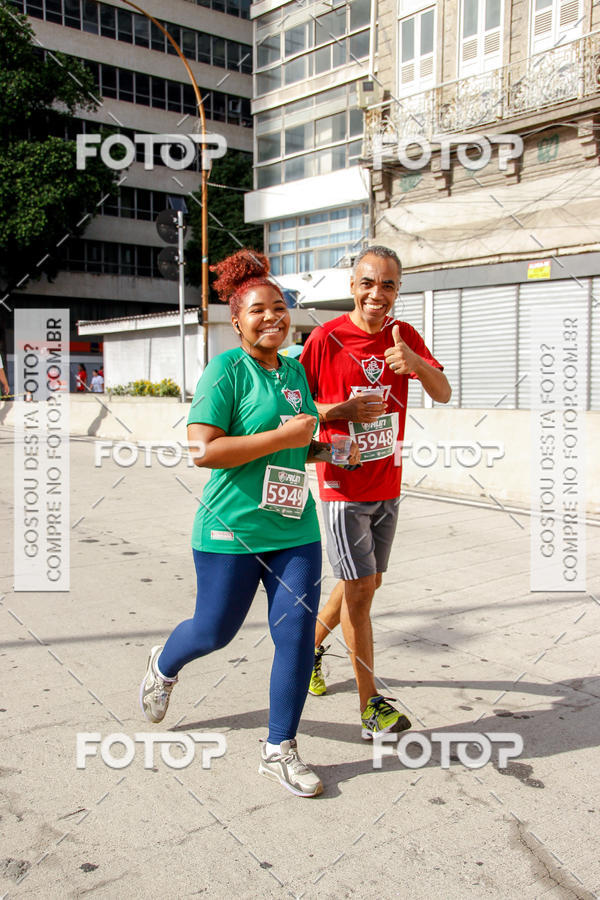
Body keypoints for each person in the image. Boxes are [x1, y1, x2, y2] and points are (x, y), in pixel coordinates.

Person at [139, 249, 359, 798]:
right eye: (259, 310)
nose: (273, 318)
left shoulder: (292, 371)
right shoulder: (225, 371)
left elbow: (292, 447)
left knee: (296, 639)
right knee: (214, 631)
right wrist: (285, 439)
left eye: (280, 308)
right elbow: (203, 451)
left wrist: (325, 452)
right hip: (229, 530)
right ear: (236, 320)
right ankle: (163, 666)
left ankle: (279, 748)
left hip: (294, 530)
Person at [300, 245, 451, 740]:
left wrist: (414, 363)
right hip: (342, 484)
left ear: (397, 290)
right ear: (352, 286)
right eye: (368, 283)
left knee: (363, 582)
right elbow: (297, 409)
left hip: (388, 482)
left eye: (388, 285)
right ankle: (371, 707)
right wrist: (340, 411)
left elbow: (443, 390)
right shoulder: (325, 338)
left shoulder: (404, 336)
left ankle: (309, 652)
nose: (377, 294)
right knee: (361, 592)